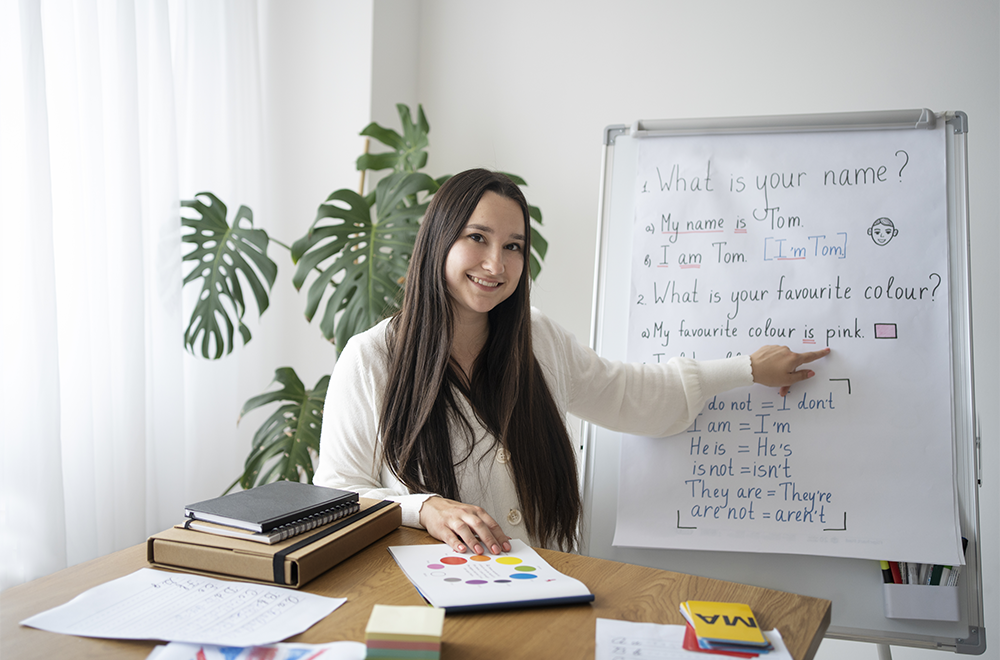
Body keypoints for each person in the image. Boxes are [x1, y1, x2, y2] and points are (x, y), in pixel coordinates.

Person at [313, 169, 829, 556]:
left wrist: (746, 369)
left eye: (513, 246)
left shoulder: (538, 340)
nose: (497, 264)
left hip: (544, 591)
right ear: (438, 241)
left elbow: (635, 397)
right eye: (478, 238)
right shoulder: (371, 358)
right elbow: (337, 491)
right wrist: (423, 506)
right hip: (427, 603)